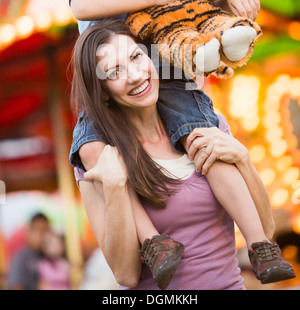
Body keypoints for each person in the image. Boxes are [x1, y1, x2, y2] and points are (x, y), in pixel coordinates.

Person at [68, 0, 294, 288]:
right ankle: (153, 242)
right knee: (94, 149)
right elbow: (83, 6)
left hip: (170, 70)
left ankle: (260, 244)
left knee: (203, 139)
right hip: (100, 88)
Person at [70, 21, 295, 290]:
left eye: (136, 57)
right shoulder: (100, 161)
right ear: (102, 92)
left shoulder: (207, 125)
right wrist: (117, 187)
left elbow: (266, 230)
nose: (135, 75)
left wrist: (243, 159)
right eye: (114, 72)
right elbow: (126, 275)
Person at [8, 213, 50, 290]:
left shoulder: (49, 256)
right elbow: (17, 286)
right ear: (29, 232)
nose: (43, 235)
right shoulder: (22, 257)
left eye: (46, 230)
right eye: (39, 230)